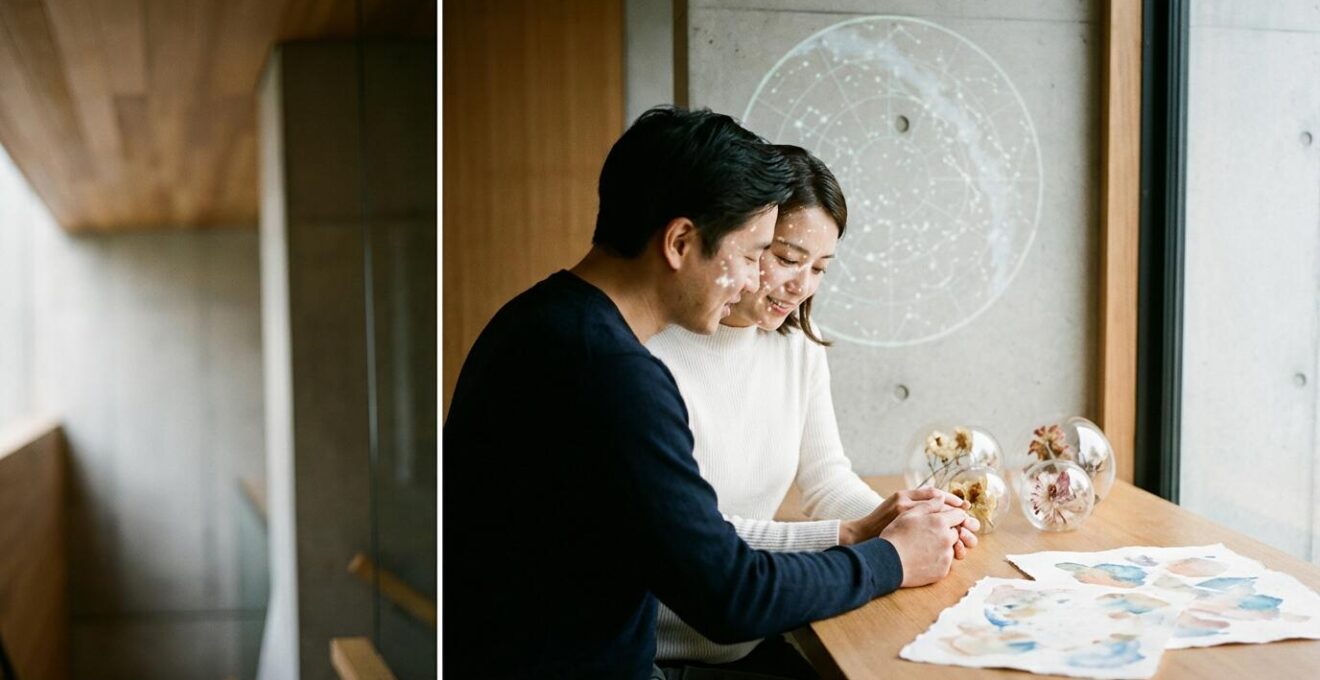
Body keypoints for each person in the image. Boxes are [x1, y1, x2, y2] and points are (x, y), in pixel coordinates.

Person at [442, 106, 976, 680]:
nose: (756, 280)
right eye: (753, 256)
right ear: (679, 242)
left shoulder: (542, 321)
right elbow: (730, 595)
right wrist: (890, 558)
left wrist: (872, 532)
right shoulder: (613, 373)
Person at [648, 146, 977, 678]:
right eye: (787, 258)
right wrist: (864, 540)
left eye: (820, 268)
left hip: (759, 634)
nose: (802, 286)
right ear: (744, 240)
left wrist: (902, 520)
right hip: (668, 655)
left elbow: (826, 481)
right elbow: (695, 538)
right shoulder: (651, 353)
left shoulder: (798, 346)